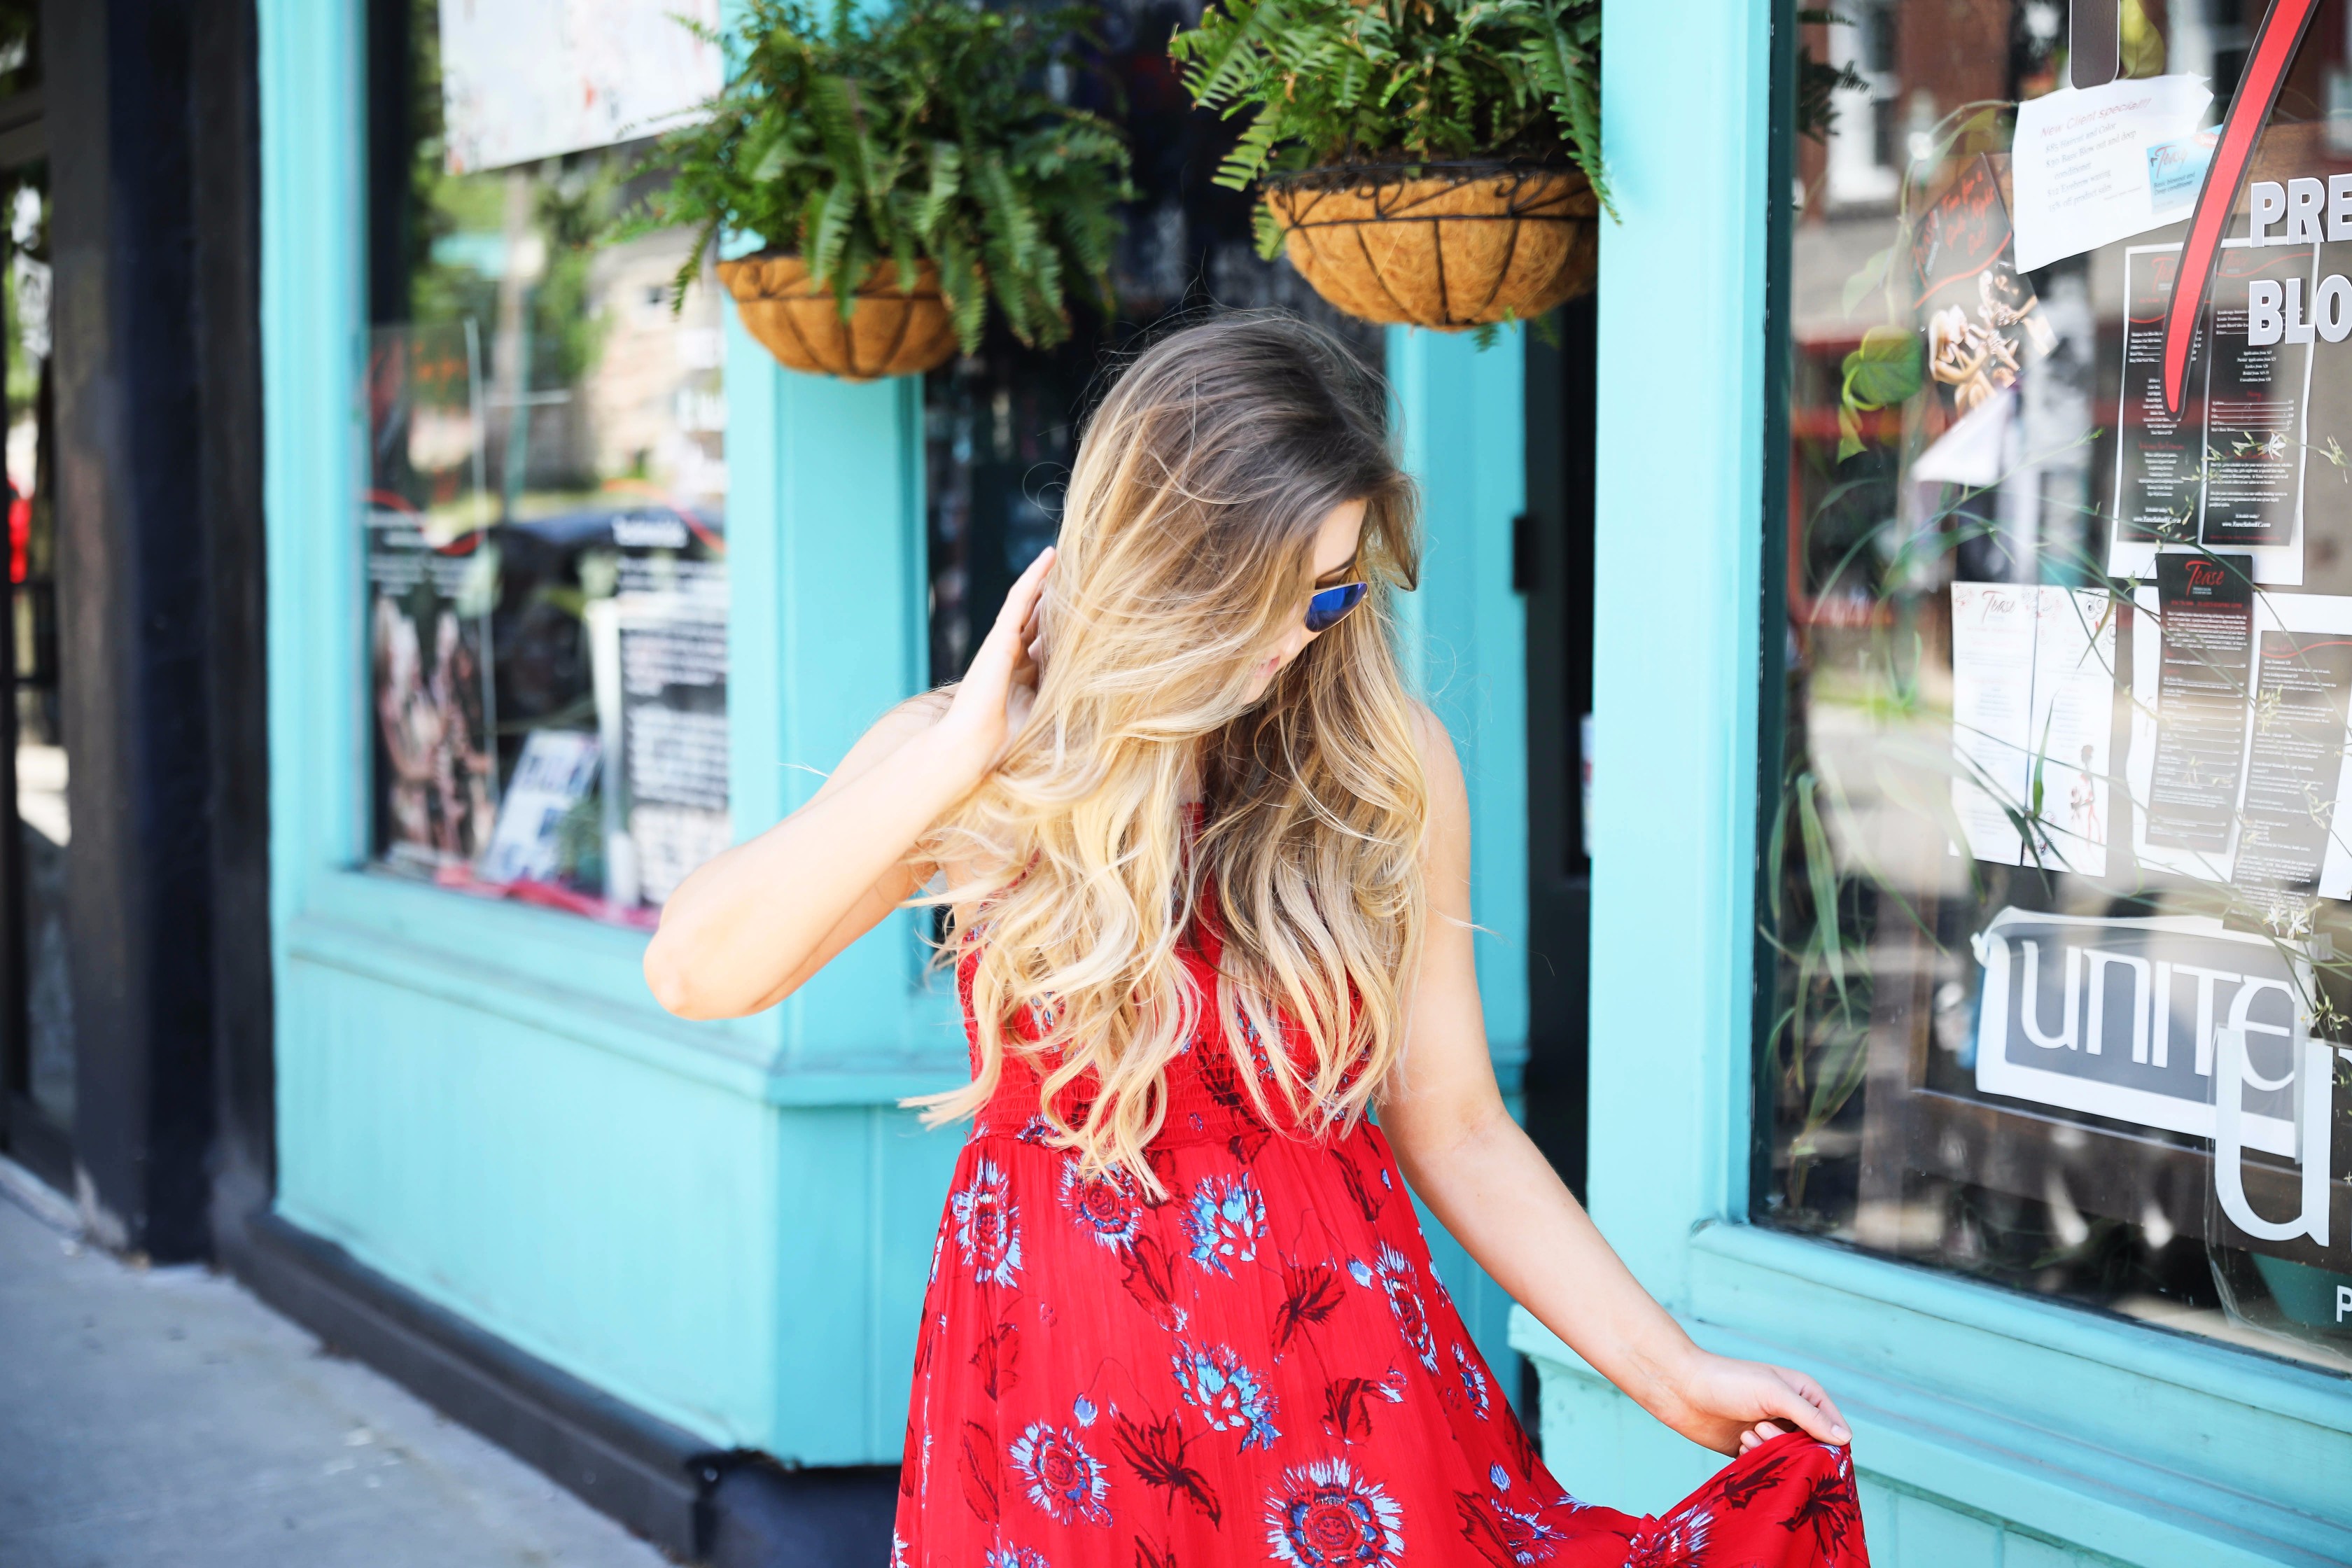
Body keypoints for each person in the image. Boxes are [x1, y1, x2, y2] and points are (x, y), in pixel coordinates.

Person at [645, 313, 1869, 1567]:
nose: (1297, 639)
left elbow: (1452, 1124)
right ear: (1156, 564)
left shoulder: (1382, 767)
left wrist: (1669, 1374)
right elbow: (698, 969)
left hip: (1341, 1396)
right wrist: (964, 749)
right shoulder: (969, 767)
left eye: (1330, 592)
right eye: (1259, 597)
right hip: (1059, 1410)